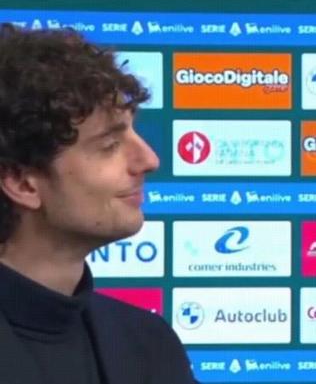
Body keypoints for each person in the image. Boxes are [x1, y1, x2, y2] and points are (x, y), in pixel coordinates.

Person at [0, 24, 197, 384]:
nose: (149, 160)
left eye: (134, 130)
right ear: (22, 182)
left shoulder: (150, 344)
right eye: (109, 145)